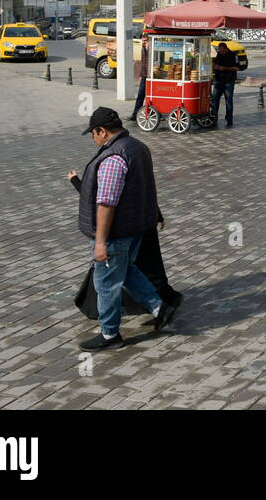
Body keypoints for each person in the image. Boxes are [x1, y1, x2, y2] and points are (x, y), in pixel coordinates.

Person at [69, 107, 177, 350]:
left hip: (116, 232)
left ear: (102, 131)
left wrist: (100, 242)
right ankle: (160, 308)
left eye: (93, 133)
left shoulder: (112, 159)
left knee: (106, 281)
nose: (93, 138)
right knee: (126, 269)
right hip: (137, 226)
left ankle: (110, 334)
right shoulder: (138, 147)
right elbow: (145, 186)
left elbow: (106, 204)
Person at [209, 41, 238, 128]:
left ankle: (229, 119)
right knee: (215, 99)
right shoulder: (219, 54)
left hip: (229, 81)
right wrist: (215, 66)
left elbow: (237, 68)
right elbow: (216, 63)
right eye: (219, 51)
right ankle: (214, 117)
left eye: (222, 51)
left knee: (228, 101)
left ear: (226, 49)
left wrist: (224, 68)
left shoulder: (233, 55)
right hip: (219, 80)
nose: (221, 52)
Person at [127, 38, 150, 122]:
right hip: (144, 75)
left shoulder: (150, 48)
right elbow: (143, 62)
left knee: (151, 96)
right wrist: (141, 74)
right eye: (143, 40)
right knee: (140, 95)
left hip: (150, 76)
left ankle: (152, 113)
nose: (143, 42)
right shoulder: (142, 48)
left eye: (145, 40)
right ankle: (135, 114)